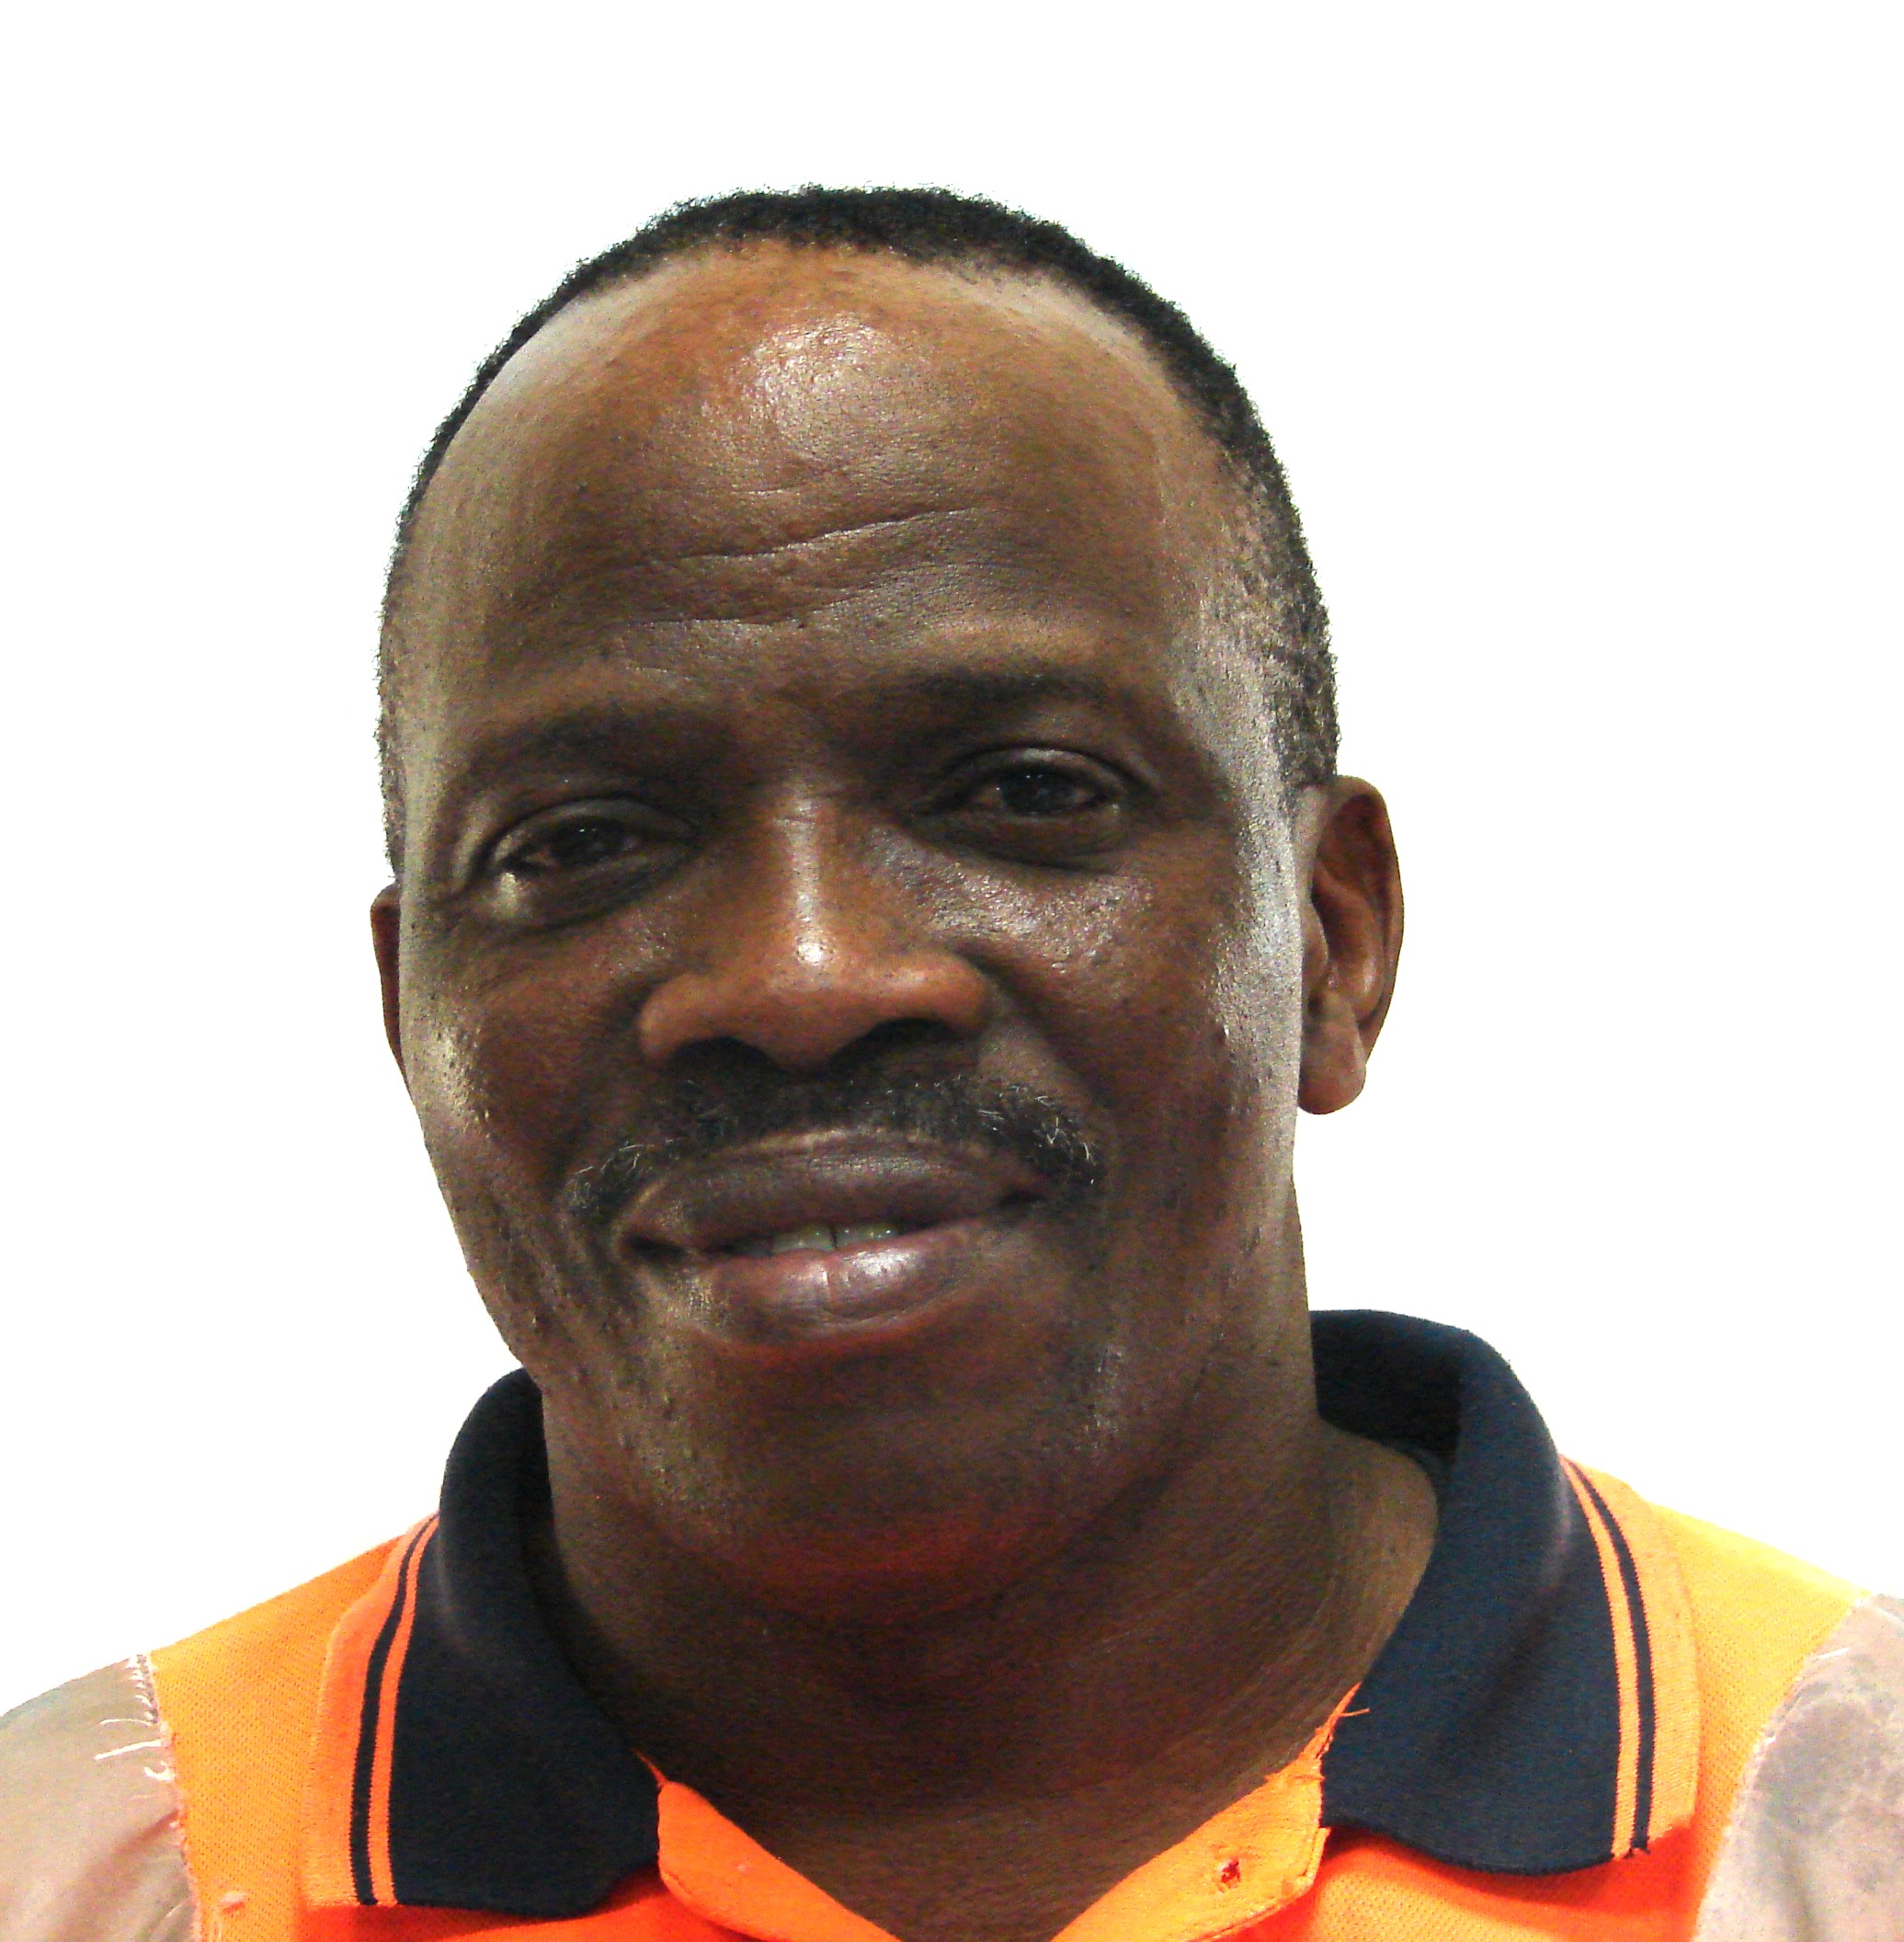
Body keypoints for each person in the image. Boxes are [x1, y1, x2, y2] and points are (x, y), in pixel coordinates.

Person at [2, 188, 1898, 1942]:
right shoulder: (78, 1876)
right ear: (409, 1015)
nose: (800, 978)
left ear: (1333, 940)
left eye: (1023, 792)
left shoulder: (1839, 1837)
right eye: (580, 840)